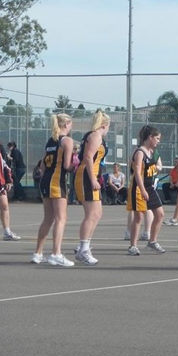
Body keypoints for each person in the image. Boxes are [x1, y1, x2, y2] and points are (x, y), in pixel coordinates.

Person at [32, 114, 76, 267]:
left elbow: (42, 166)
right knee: (61, 218)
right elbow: (67, 166)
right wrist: (76, 163)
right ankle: (56, 253)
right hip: (57, 181)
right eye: (71, 124)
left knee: (48, 218)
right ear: (66, 124)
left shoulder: (50, 141)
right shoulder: (67, 141)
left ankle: (38, 253)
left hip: (45, 181)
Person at [73, 109, 111, 265]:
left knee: (97, 213)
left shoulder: (95, 136)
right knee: (91, 214)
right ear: (104, 125)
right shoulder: (95, 136)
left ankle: (84, 245)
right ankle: (83, 249)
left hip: (91, 176)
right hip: (87, 176)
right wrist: (93, 179)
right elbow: (88, 157)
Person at [126, 126, 166, 255]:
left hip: (150, 187)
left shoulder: (152, 152)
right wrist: (142, 190)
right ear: (150, 137)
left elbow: (154, 168)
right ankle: (133, 246)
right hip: (138, 188)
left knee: (160, 214)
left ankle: (152, 242)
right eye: (157, 138)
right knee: (138, 217)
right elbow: (137, 173)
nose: (158, 141)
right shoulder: (140, 153)